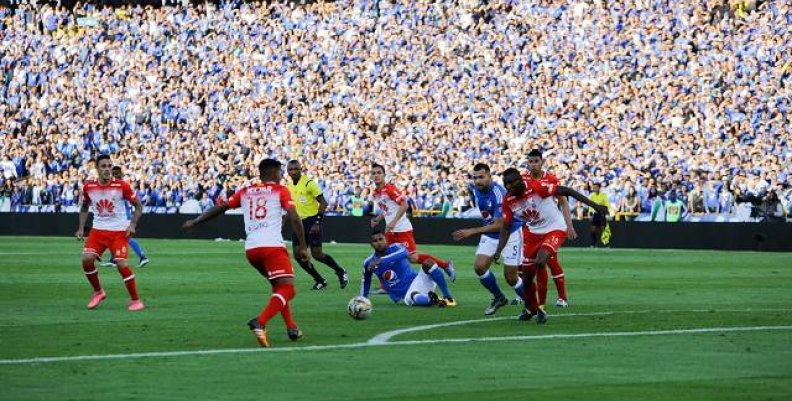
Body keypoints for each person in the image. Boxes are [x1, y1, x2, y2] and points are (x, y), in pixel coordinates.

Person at [182, 158, 310, 348]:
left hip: (252, 249)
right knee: (288, 289)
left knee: (278, 287)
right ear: (275, 172)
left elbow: (221, 208)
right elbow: (294, 217)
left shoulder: (246, 191)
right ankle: (260, 322)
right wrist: (302, 246)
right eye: (280, 171)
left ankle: (291, 327)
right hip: (272, 247)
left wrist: (195, 221)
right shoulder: (281, 190)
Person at [495, 168, 608, 324]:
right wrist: (498, 250)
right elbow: (506, 227)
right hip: (533, 234)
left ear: (519, 181)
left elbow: (566, 191)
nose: (508, 187)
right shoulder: (508, 200)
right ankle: (531, 308)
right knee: (527, 278)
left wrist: (595, 206)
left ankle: (542, 307)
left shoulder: (536, 187)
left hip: (555, 228)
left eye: (511, 183)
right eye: (505, 184)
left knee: (541, 261)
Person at [75, 154, 144, 311]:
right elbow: (85, 207)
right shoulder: (89, 187)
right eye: (103, 166)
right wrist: (80, 228)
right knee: (86, 259)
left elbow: (138, 206)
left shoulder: (122, 186)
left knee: (121, 264)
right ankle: (98, 292)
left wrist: (132, 225)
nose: (107, 169)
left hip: (118, 231)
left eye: (109, 166)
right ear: (97, 168)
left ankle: (135, 300)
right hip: (98, 230)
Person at [452, 163, 521, 316]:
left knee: (511, 278)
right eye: (475, 178)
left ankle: (532, 305)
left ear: (490, 176)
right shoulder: (477, 189)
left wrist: (472, 231)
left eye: (481, 177)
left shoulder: (498, 193)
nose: (477, 181)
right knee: (479, 267)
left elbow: (500, 225)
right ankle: (499, 298)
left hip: (510, 234)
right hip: (490, 233)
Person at [370, 163, 456, 280]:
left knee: (413, 258)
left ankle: (445, 265)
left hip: (402, 229)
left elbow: (405, 205)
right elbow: (387, 209)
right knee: (386, 256)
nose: (376, 175)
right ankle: (386, 287)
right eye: (373, 173)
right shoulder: (375, 193)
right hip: (389, 230)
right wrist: (378, 219)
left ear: (384, 175)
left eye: (379, 173)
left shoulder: (390, 189)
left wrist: (394, 222)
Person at [286, 160, 349, 290]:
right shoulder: (289, 186)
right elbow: (291, 206)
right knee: (298, 255)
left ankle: (340, 271)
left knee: (317, 254)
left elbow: (323, 203)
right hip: (298, 223)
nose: (293, 172)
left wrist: (317, 222)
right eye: (290, 170)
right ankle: (319, 280)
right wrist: (284, 220)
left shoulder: (309, 183)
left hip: (311, 220)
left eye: (295, 169)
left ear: (300, 169)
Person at [521, 150, 573, 309]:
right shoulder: (522, 179)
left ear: (542, 162)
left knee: (549, 261)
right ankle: (528, 299)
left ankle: (561, 298)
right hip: (532, 227)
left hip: (552, 228)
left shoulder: (550, 179)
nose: (533, 164)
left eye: (536, 161)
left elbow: (563, 201)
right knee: (524, 265)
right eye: (530, 161)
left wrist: (569, 225)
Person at [360, 230, 455, 307]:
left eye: (381, 239)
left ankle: (447, 296)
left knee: (428, 263)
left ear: (386, 239)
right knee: (414, 295)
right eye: (375, 241)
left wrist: (382, 260)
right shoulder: (368, 262)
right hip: (405, 294)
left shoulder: (396, 247)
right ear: (371, 244)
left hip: (418, 281)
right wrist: (363, 299)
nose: (379, 243)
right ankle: (434, 300)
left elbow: (405, 253)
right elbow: (366, 282)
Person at [101, 166, 150, 268]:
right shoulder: (117, 185)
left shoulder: (121, 186)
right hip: (118, 216)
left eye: (117, 174)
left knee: (126, 238)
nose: (115, 176)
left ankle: (142, 257)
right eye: (113, 174)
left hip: (123, 216)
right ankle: (113, 260)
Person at [588, 182, 610, 247]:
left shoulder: (603, 195)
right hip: (595, 214)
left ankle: (606, 244)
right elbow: (590, 206)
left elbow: (607, 204)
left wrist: (606, 211)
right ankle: (593, 244)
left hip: (602, 214)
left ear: (599, 188)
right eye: (594, 187)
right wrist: (590, 214)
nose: (594, 189)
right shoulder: (592, 196)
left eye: (596, 187)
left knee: (603, 229)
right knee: (593, 229)